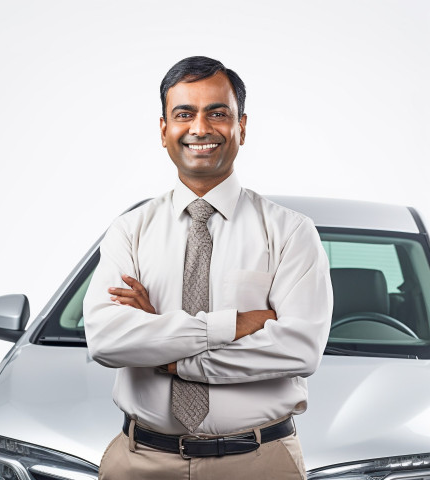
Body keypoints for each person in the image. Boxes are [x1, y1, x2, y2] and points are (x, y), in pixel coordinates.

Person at [83, 56, 333, 480]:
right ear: (164, 130)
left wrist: (167, 350)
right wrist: (230, 326)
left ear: (242, 127)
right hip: (140, 461)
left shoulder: (291, 232)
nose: (200, 128)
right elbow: (106, 339)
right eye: (185, 114)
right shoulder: (130, 230)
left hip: (259, 462)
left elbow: (299, 348)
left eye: (217, 113)